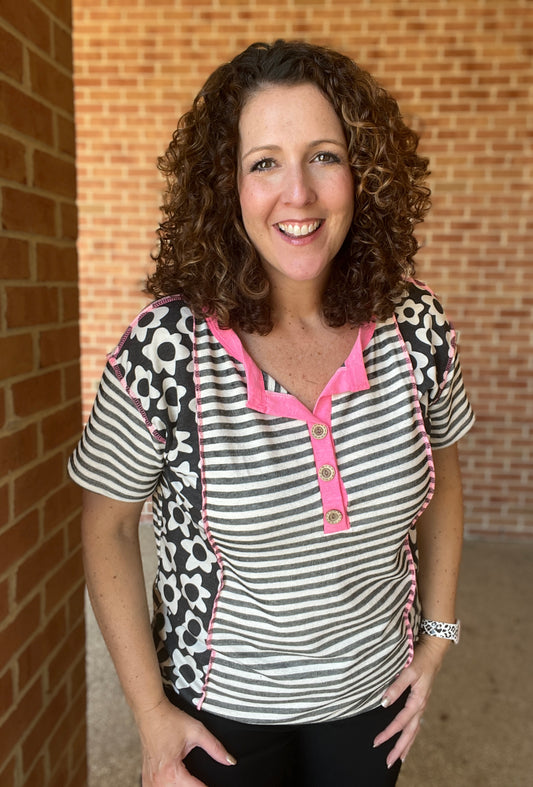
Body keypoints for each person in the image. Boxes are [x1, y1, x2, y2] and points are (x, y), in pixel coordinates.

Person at [69, 40, 474, 787]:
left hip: (371, 696)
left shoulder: (415, 325)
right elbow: (108, 525)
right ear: (224, 186)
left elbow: (440, 483)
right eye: (263, 163)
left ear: (363, 172)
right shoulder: (165, 348)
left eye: (323, 155)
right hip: (218, 710)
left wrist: (436, 639)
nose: (299, 195)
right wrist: (149, 712)